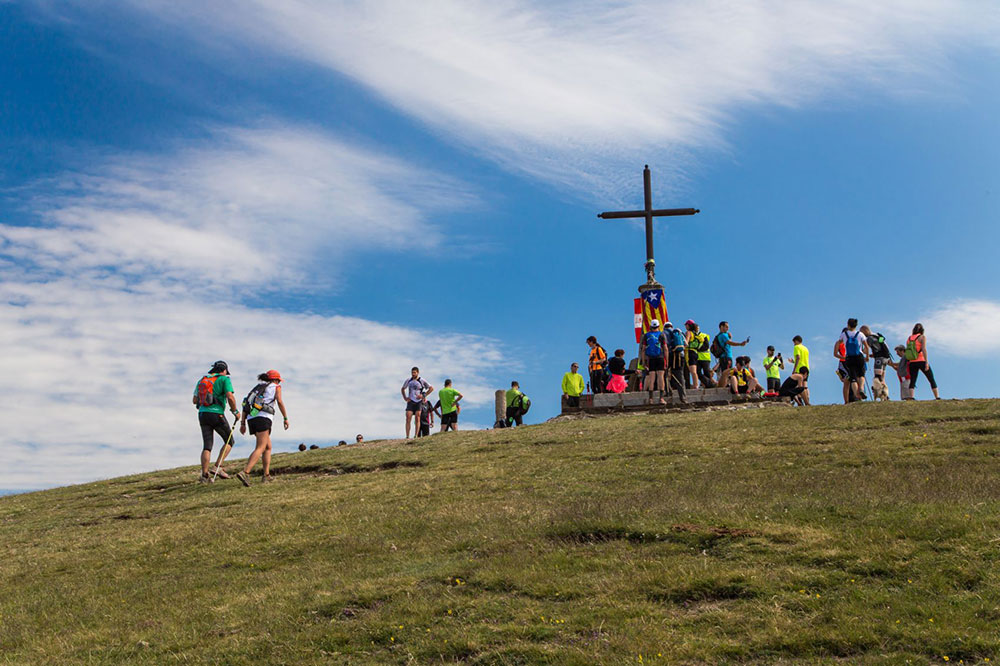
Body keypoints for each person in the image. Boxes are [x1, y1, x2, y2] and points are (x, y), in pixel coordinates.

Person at [233, 370, 288, 486]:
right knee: (261, 447)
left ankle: (266, 475)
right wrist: (285, 418)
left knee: (268, 447)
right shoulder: (276, 387)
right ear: (276, 380)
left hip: (251, 418)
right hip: (264, 418)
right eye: (278, 380)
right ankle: (245, 472)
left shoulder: (257, 388)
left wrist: (243, 423)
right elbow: (279, 401)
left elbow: (246, 404)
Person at [193, 360, 240, 484]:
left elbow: (194, 400)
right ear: (224, 370)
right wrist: (235, 411)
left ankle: (204, 476)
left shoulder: (202, 380)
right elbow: (230, 396)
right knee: (230, 441)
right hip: (216, 414)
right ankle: (217, 467)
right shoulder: (224, 379)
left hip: (202, 414)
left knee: (207, 446)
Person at [838, 318, 870, 403]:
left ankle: (856, 395)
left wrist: (839, 356)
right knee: (861, 375)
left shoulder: (843, 336)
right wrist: (867, 357)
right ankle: (861, 390)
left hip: (848, 359)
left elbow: (837, 346)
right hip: (859, 357)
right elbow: (866, 347)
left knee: (853, 379)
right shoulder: (860, 334)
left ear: (848, 325)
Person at [905, 323, 941, 399]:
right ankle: (937, 397)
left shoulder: (909, 338)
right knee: (931, 378)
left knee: (913, 380)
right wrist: (926, 362)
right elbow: (924, 349)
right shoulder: (922, 337)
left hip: (912, 361)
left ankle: (911, 397)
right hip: (921, 360)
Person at [641, 319, 668, 405]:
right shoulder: (661, 334)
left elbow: (643, 349)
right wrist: (667, 360)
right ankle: (661, 398)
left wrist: (644, 361)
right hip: (660, 358)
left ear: (651, 326)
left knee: (651, 378)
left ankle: (651, 399)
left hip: (651, 359)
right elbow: (665, 348)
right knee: (661, 377)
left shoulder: (646, 335)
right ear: (658, 326)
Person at [401, 367, 433, 439]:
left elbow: (431, 388)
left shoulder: (421, 380)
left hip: (418, 402)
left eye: (414, 372)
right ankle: (407, 436)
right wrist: (405, 398)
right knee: (408, 417)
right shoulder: (409, 380)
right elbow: (402, 389)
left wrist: (423, 395)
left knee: (417, 418)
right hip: (410, 401)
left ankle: (416, 435)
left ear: (418, 373)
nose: (413, 374)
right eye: (412, 372)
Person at [860, 325, 892, 390]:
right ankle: (885, 393)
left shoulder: (869, 338)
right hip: (886, 358)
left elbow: (866, 350)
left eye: (862, 333)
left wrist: (861, 352)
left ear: (865, 330)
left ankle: (879, 391)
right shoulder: (877, 335)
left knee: (877, 377)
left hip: (879, 359)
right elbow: (882, 346)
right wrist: (874, 354)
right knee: (882, 378)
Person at [685, 320, 714, 389]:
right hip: (696, 354)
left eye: (686, 325)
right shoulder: (696, 334)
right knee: (696, 372)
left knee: (692, 371)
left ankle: (697, 385)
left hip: (692, 353)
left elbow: (686, 342)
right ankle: (697, 385)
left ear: (688, 325)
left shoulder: (689, 332)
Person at [665, 322, 687, 402]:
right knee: (680, 375)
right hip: (680, 356)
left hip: (670, 356)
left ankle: (668, 392)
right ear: (672, 326)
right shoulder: (679, 332)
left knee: (664, 374)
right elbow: (686, 344)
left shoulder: (664, 333)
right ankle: (683, 396)